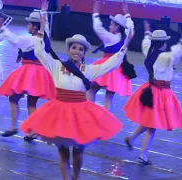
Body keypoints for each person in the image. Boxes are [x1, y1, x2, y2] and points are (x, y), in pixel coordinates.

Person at [20, 12, 133, 180]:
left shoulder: (89, 70)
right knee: (63, 151)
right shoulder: (56, 66)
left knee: (79, 152)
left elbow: (113, 63)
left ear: (84, 52)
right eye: (74, 47)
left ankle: (76, 176)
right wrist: (42, 28)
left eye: (80, 49)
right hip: (59, 113)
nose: (77, 51)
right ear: (69, 49)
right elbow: (39, 51)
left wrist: (126, 44)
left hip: (80, 114)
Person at [123, 21, 182, 165]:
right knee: (152, 126)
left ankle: (131, 139)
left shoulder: (149, 50)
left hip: (150, 88)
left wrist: (147, 32)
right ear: (164, 43)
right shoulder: (165, 57)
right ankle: (143, 155)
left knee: (149, 121)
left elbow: (145, 43)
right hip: (160, 93)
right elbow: (177, 51)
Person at [0, 1, 56, 141]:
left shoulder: (30, 39)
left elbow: (15, 40)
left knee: (13, 98)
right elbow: (44, 25)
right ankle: (32, 131)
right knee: (31, 103)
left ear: (35, 27)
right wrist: (43, 12)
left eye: (29, 24)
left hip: (29, 71)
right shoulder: (44, 37)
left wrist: (2, 27)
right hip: (40, 73)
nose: (27, 26)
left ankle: (13, 126)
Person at [87, 1, 136, 111]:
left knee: (92, 89)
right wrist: (127, 14)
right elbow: (130, 28)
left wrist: (95, 13)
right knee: (109, 97)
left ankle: (89, 111)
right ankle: (106, 118)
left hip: (107, 64)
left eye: (111, 24)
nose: (109, 26)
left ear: (117, 26)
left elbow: (98, 28)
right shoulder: (124, 38)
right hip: (118, 68)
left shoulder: (110, 38)